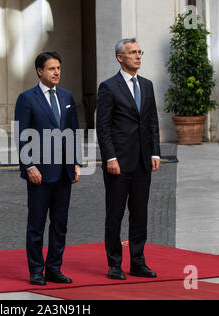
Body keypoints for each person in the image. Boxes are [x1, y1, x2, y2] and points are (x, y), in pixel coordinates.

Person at [96, 38, 161, 280]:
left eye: (139, 52)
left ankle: (137, 262)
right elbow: (102, 128)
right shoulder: (108, 87)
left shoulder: (147, 85)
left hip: (143, 161)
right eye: (132, 53)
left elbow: (152, 121)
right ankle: (114, 264)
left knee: (140, 213)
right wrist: (110, 157)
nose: (138, 56)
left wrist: (155, 152)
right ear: (120, 58)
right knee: (115, 214)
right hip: (118, 163)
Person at [14, 51, 81, 285]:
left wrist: (76, 162)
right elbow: (21, 135)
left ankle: (54, 268)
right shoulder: (27, 98)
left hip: (63, 171)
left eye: (59, 68)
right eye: (52, 68)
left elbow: (73, 131)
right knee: (36, 225)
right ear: (39, 71)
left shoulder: (67, 97)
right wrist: (29, 165)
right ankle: (35, 270)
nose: (56, 72)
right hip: (39, 173)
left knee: (60, 224)